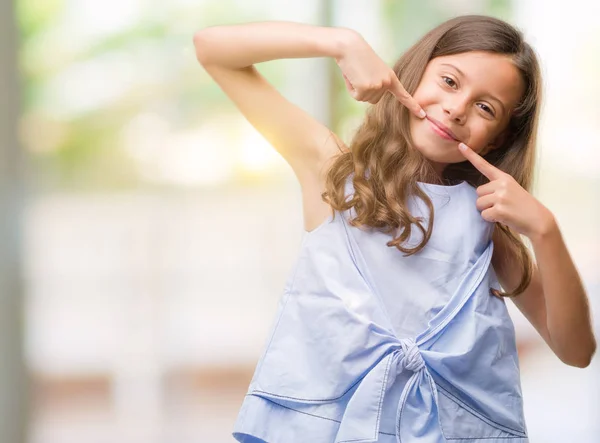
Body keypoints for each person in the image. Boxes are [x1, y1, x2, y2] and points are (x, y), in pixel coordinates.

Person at [193, 14, 596, 443]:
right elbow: (211, 48)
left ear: (496, 139)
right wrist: (340, 42)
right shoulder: (332, 171)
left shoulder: (485, 223)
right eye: (449, 81)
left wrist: (545, 232)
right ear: (415, 71)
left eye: (485, 108)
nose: (457, 108)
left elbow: (576, 350)